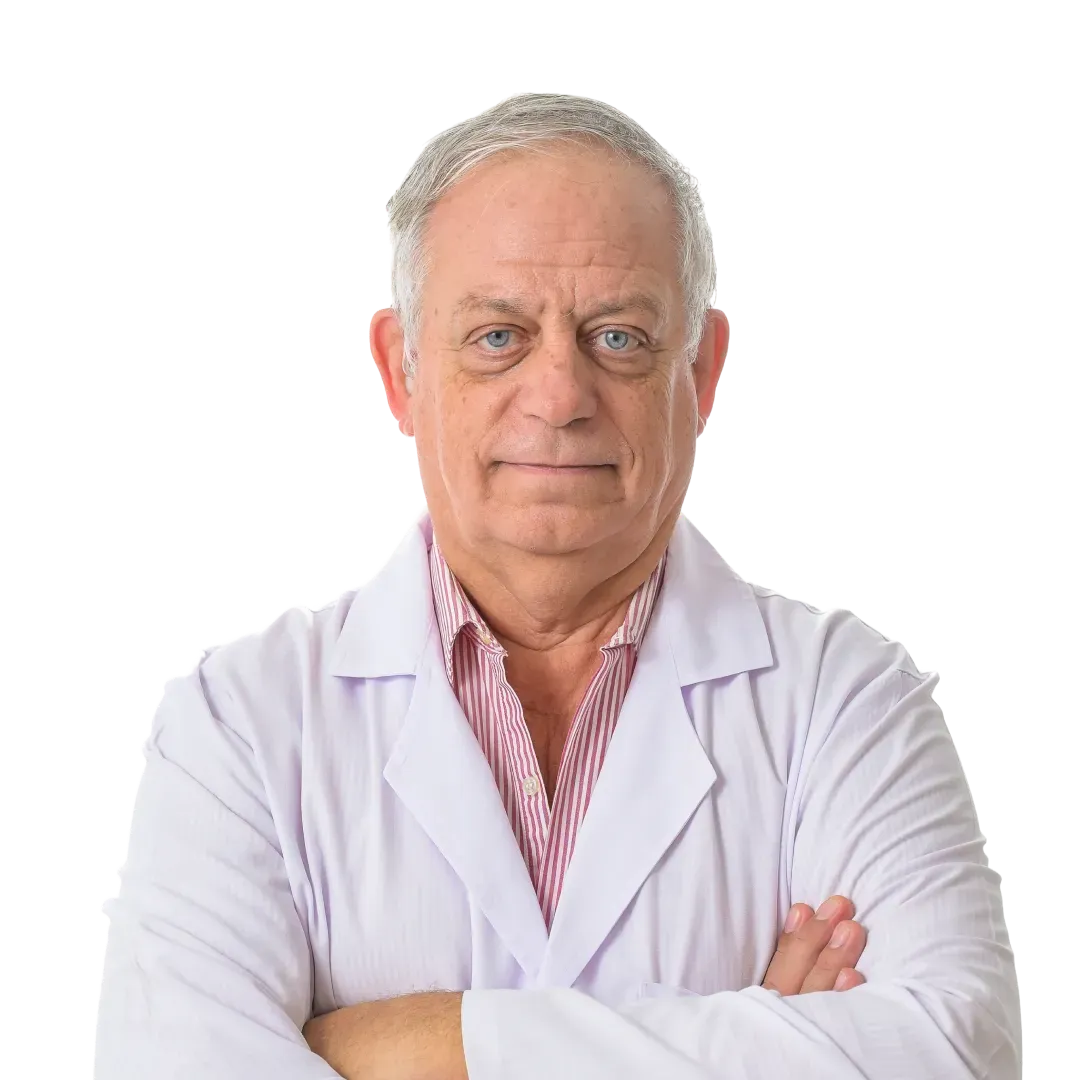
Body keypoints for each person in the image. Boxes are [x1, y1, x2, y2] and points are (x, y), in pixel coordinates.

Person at [94, 91, 1021, 1079]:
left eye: (617, 336)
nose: (560, 396)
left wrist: (423, 1043)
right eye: (498, 336)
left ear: (702, 371)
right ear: (401, 370)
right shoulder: (238, 724)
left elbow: (956, 1052)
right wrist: (761, 1039)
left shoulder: (848, 699)